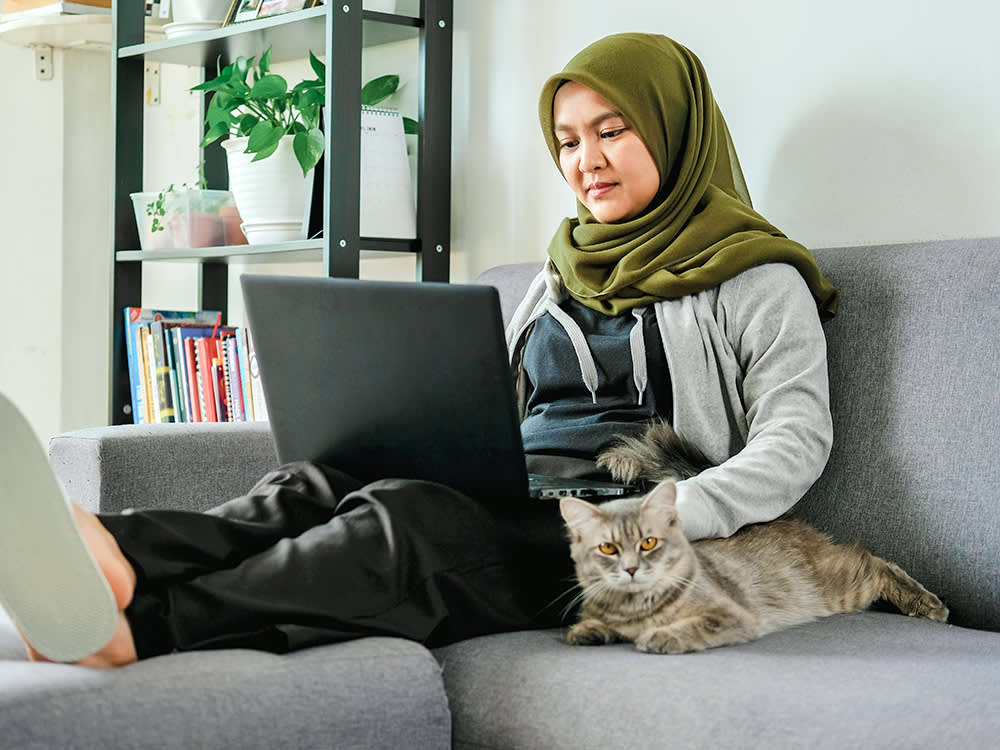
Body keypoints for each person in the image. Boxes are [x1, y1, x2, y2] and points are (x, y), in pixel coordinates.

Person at [1, 32, 837, 669]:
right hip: (516, 497)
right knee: (316, 483)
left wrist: (673, 514)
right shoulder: (559, 272)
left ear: (675, 127)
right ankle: (116, 551)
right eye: (569, 141)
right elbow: (495, 410)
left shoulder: (756, 278)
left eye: (611, 131)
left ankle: (142, 629)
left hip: (610, 542)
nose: (585, 162)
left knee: (407, 524)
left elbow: (796, 441)